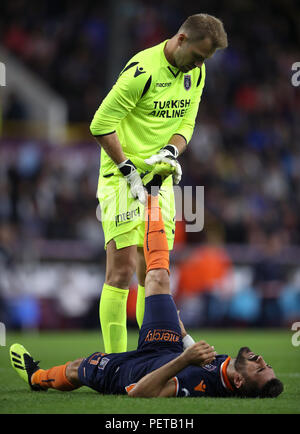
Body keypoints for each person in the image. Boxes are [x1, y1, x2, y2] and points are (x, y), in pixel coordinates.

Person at [10, 178, 283, 398]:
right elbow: (194, 352)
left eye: (260, 370)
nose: (262, 361)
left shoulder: (198, 384)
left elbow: (139, 392)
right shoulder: (224, 366)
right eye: (266, 365)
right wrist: (181, 330)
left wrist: (184, 359)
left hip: (139, 371)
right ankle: (152, 196)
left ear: (238, 381)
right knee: (159, 278)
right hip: (169, 345)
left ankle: (36, 378)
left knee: (77, 368)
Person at [89, 13, 228, 353]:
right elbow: (100, 125)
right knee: (120, 273)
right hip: (121, 178)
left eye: (205, 61)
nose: (198, 66)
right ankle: (114, 364)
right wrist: (128, 170)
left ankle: (151, 356)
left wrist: (170, 151)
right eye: (197, 56)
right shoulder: (142, 72)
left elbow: (187, 122)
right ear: (181, 40)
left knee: (154, 275)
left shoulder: (196, 72)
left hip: (160, 181)